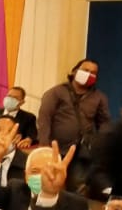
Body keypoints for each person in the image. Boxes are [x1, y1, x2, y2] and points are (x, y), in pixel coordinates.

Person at [36, 58, 109, 192]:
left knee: (77, 189)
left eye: (93, 73)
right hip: (56, 150)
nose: (89, 74)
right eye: (86, 70)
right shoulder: (56, 92)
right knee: (50, 184)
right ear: (75, 71)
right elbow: (45, 118)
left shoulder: (99, 97)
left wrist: (98, 144)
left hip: (81, 153)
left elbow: (104, 123)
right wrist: (44, 145)